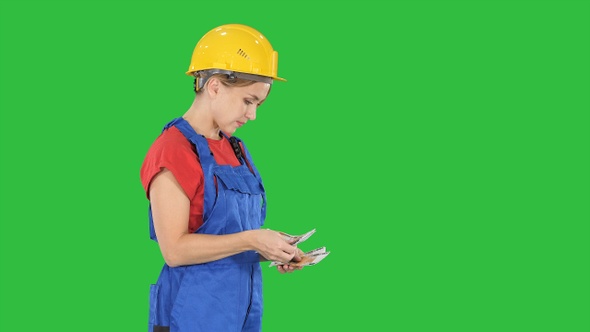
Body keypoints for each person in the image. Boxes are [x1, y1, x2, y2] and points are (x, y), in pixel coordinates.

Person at [140, 24, 303, 332]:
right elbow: (174, 250)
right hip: (190, 316)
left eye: (258, 104)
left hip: (242, 314)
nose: (253, 115)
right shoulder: (173, 150)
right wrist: (253, 239)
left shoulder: (236, 148)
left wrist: (274, 247)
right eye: (248, 100)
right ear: (214, 86)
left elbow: (233, 235)